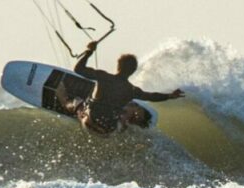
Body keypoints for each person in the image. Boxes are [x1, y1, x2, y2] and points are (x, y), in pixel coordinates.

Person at [55, 41, 184, 135]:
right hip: (108, 131)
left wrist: (89, 52)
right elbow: (151, 96)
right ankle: (130, 124)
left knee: (74, 101)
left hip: (90, 123)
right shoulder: (131, 90)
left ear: (118, 66)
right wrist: (169, 96)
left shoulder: (104, 77)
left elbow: (78, 69)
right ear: (132, 71)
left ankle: (64, 98)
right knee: (131, 107)